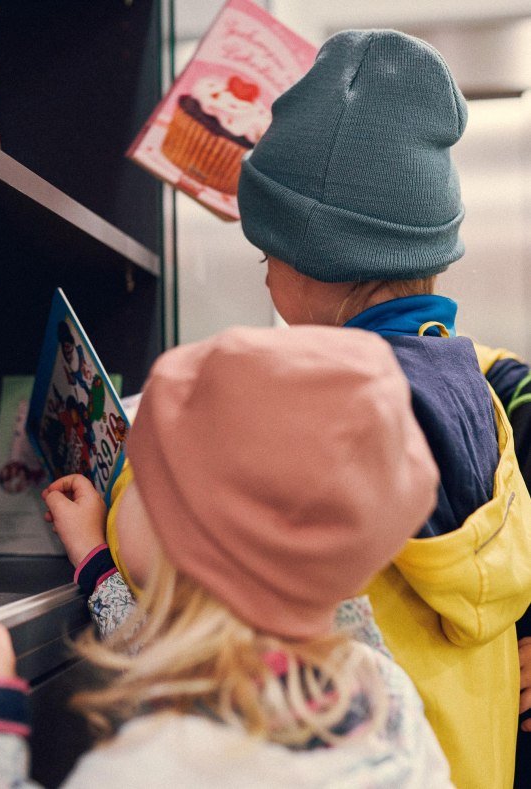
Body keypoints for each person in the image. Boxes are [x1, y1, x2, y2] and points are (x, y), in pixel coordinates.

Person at [236, 28, 531, 789]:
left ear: (319, 265)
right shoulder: (481, 397)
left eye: (267, 258)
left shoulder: (317, 426)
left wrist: (102, 542)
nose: (267, 281)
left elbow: (204, 624)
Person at [0, 325, 453, 787]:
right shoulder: (381, 688)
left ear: (187, 541)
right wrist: (95, 560)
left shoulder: (158, 765)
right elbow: (183, 659)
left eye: (141, 480)